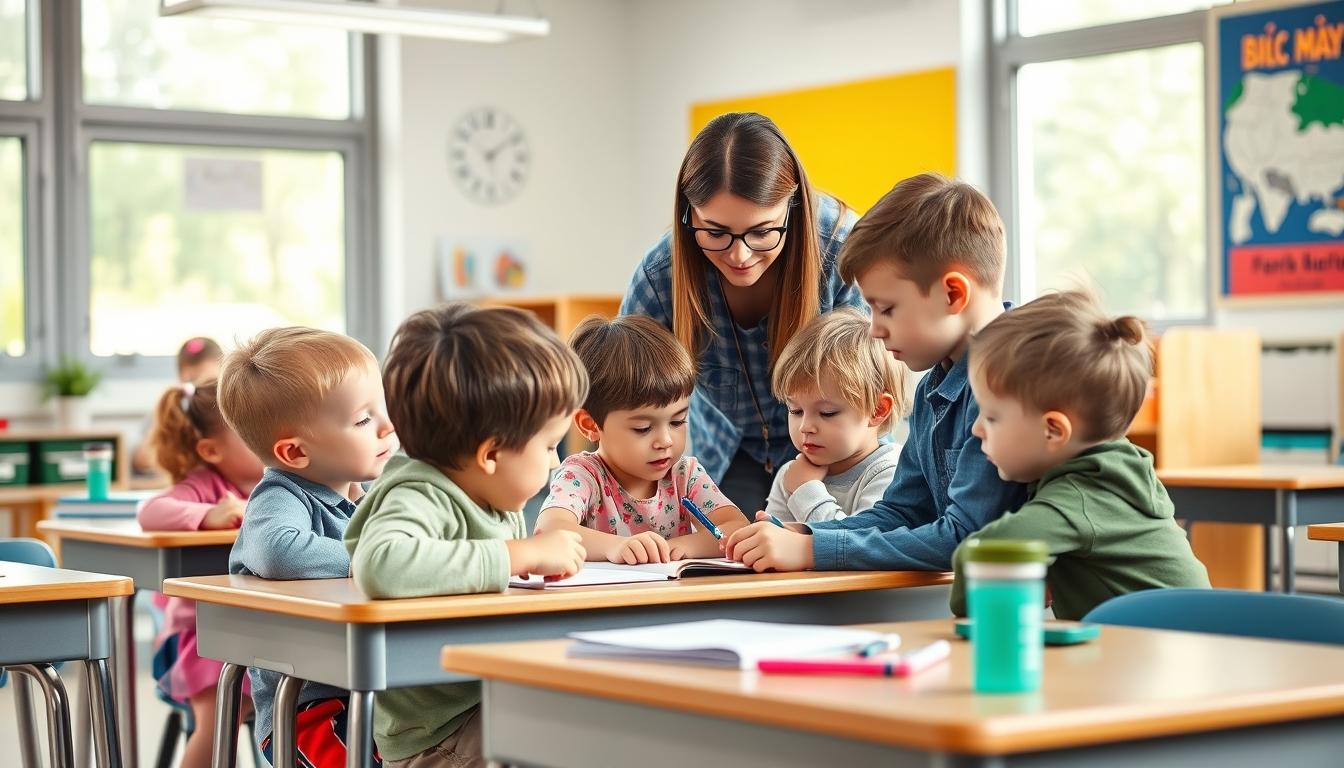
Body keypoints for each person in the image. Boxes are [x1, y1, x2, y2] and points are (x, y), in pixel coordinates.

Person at [724, 173, 1026, 572]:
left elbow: (965, 538)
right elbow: (901, 513)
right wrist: (805, 535)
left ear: (953, 294)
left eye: (886, 309)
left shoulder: (1007, 385)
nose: (875, 327)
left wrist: (813, 552)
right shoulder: (934, 385)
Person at [344, 303, 589, 767]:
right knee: (580, 741)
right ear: (491, 454)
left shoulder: (487, 493)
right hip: (441, 737)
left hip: (487, 703)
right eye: (548, 445)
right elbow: (381, 564)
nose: (557, 461)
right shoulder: (421, 492)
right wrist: (515, 556)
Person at [621, 112, 861, 513]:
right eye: (715, 232)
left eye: (763, 231)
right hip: (728, 458)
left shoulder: (842, 250)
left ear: (794, 207)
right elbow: (621, 405)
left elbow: (873, 388)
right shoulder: (660, 275)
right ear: (688, 215)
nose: (739, 255)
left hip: (844, 456)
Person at [949, 290, 1210, 620]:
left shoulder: (1080, 496)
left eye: (991, 417)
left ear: (1054, 431)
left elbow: (982, 555)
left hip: (1170, 656)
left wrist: (970, 595)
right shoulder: (1111, 475)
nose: (976, 430)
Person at [221, 327, 397, 766]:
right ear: (295, 453)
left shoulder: (370, 497)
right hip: (308, 711)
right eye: (363, 420)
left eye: (383, 409)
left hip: (377, 693)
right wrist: (383, 562)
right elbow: (278, 551)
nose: (387, 427)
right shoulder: (281, 495)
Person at [534, 315, 744, 563]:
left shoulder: (685, 475)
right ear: (591, 425)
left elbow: (736, 528)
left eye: (677, 422)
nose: (665, 440)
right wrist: (617, 547)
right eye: (643, 428)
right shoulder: (582, 476)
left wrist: (681, 546)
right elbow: (549, 531)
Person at [138, 377, 263, 768]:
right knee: (216, 730)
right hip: (203, 637)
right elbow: (152, 512)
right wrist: (208, 515)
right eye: (251, 433)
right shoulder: (206, 486)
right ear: (211, 450)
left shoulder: (284, 485)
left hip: (269, 634)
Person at [763, 308, 908, 524]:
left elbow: (858, 548)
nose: (805, 427)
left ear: (877, 410)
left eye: (827, 413)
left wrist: (806, 491)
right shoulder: (792, 473)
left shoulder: (892, 472)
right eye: (795, 410)